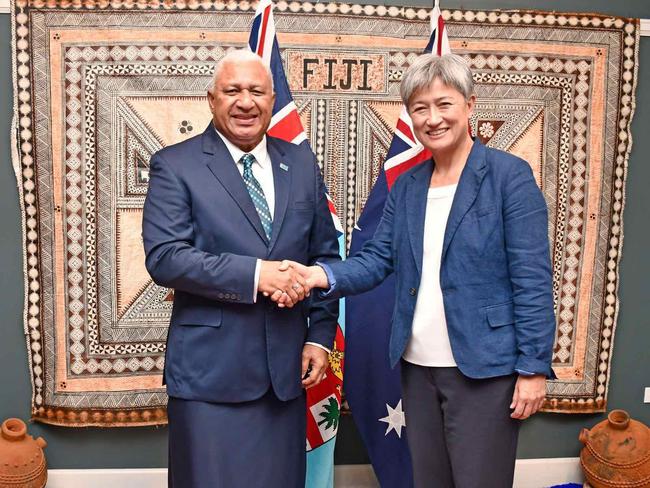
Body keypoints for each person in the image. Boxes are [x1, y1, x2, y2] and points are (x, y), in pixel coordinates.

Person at [280, 53, 556, 487]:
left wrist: (534, 369)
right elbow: (377, 260)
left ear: (469, 105)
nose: (433, 118)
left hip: (485, 370)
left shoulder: (509, 177)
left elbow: (533, 280)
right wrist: (321, 276)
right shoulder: (408, 185)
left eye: (444, 104)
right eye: (420, 108)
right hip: (416, 366)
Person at [141, 49, 339, 488]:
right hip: (210, 378)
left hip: (284, 376)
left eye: (256, 91)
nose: (245, 102)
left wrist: (320, 337)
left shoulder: (301, 163)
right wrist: (257, 275)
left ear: (272, 100)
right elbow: (165, 257)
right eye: (232, 91)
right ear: (212, 99)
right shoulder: (176, 165)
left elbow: (325, 257)